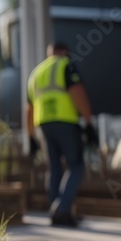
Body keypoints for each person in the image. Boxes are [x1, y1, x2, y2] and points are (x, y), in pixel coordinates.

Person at [26, 43, 97, 227]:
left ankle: (55, 210)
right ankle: (62, 209)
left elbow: (29, 108)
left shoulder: (36, 72)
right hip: (65, 120)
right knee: (77, 165)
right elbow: (78, 92)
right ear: (65, 51)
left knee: (55, 167)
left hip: (43, 124)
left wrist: (31, 137)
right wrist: (89, 122)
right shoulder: (66, 64)